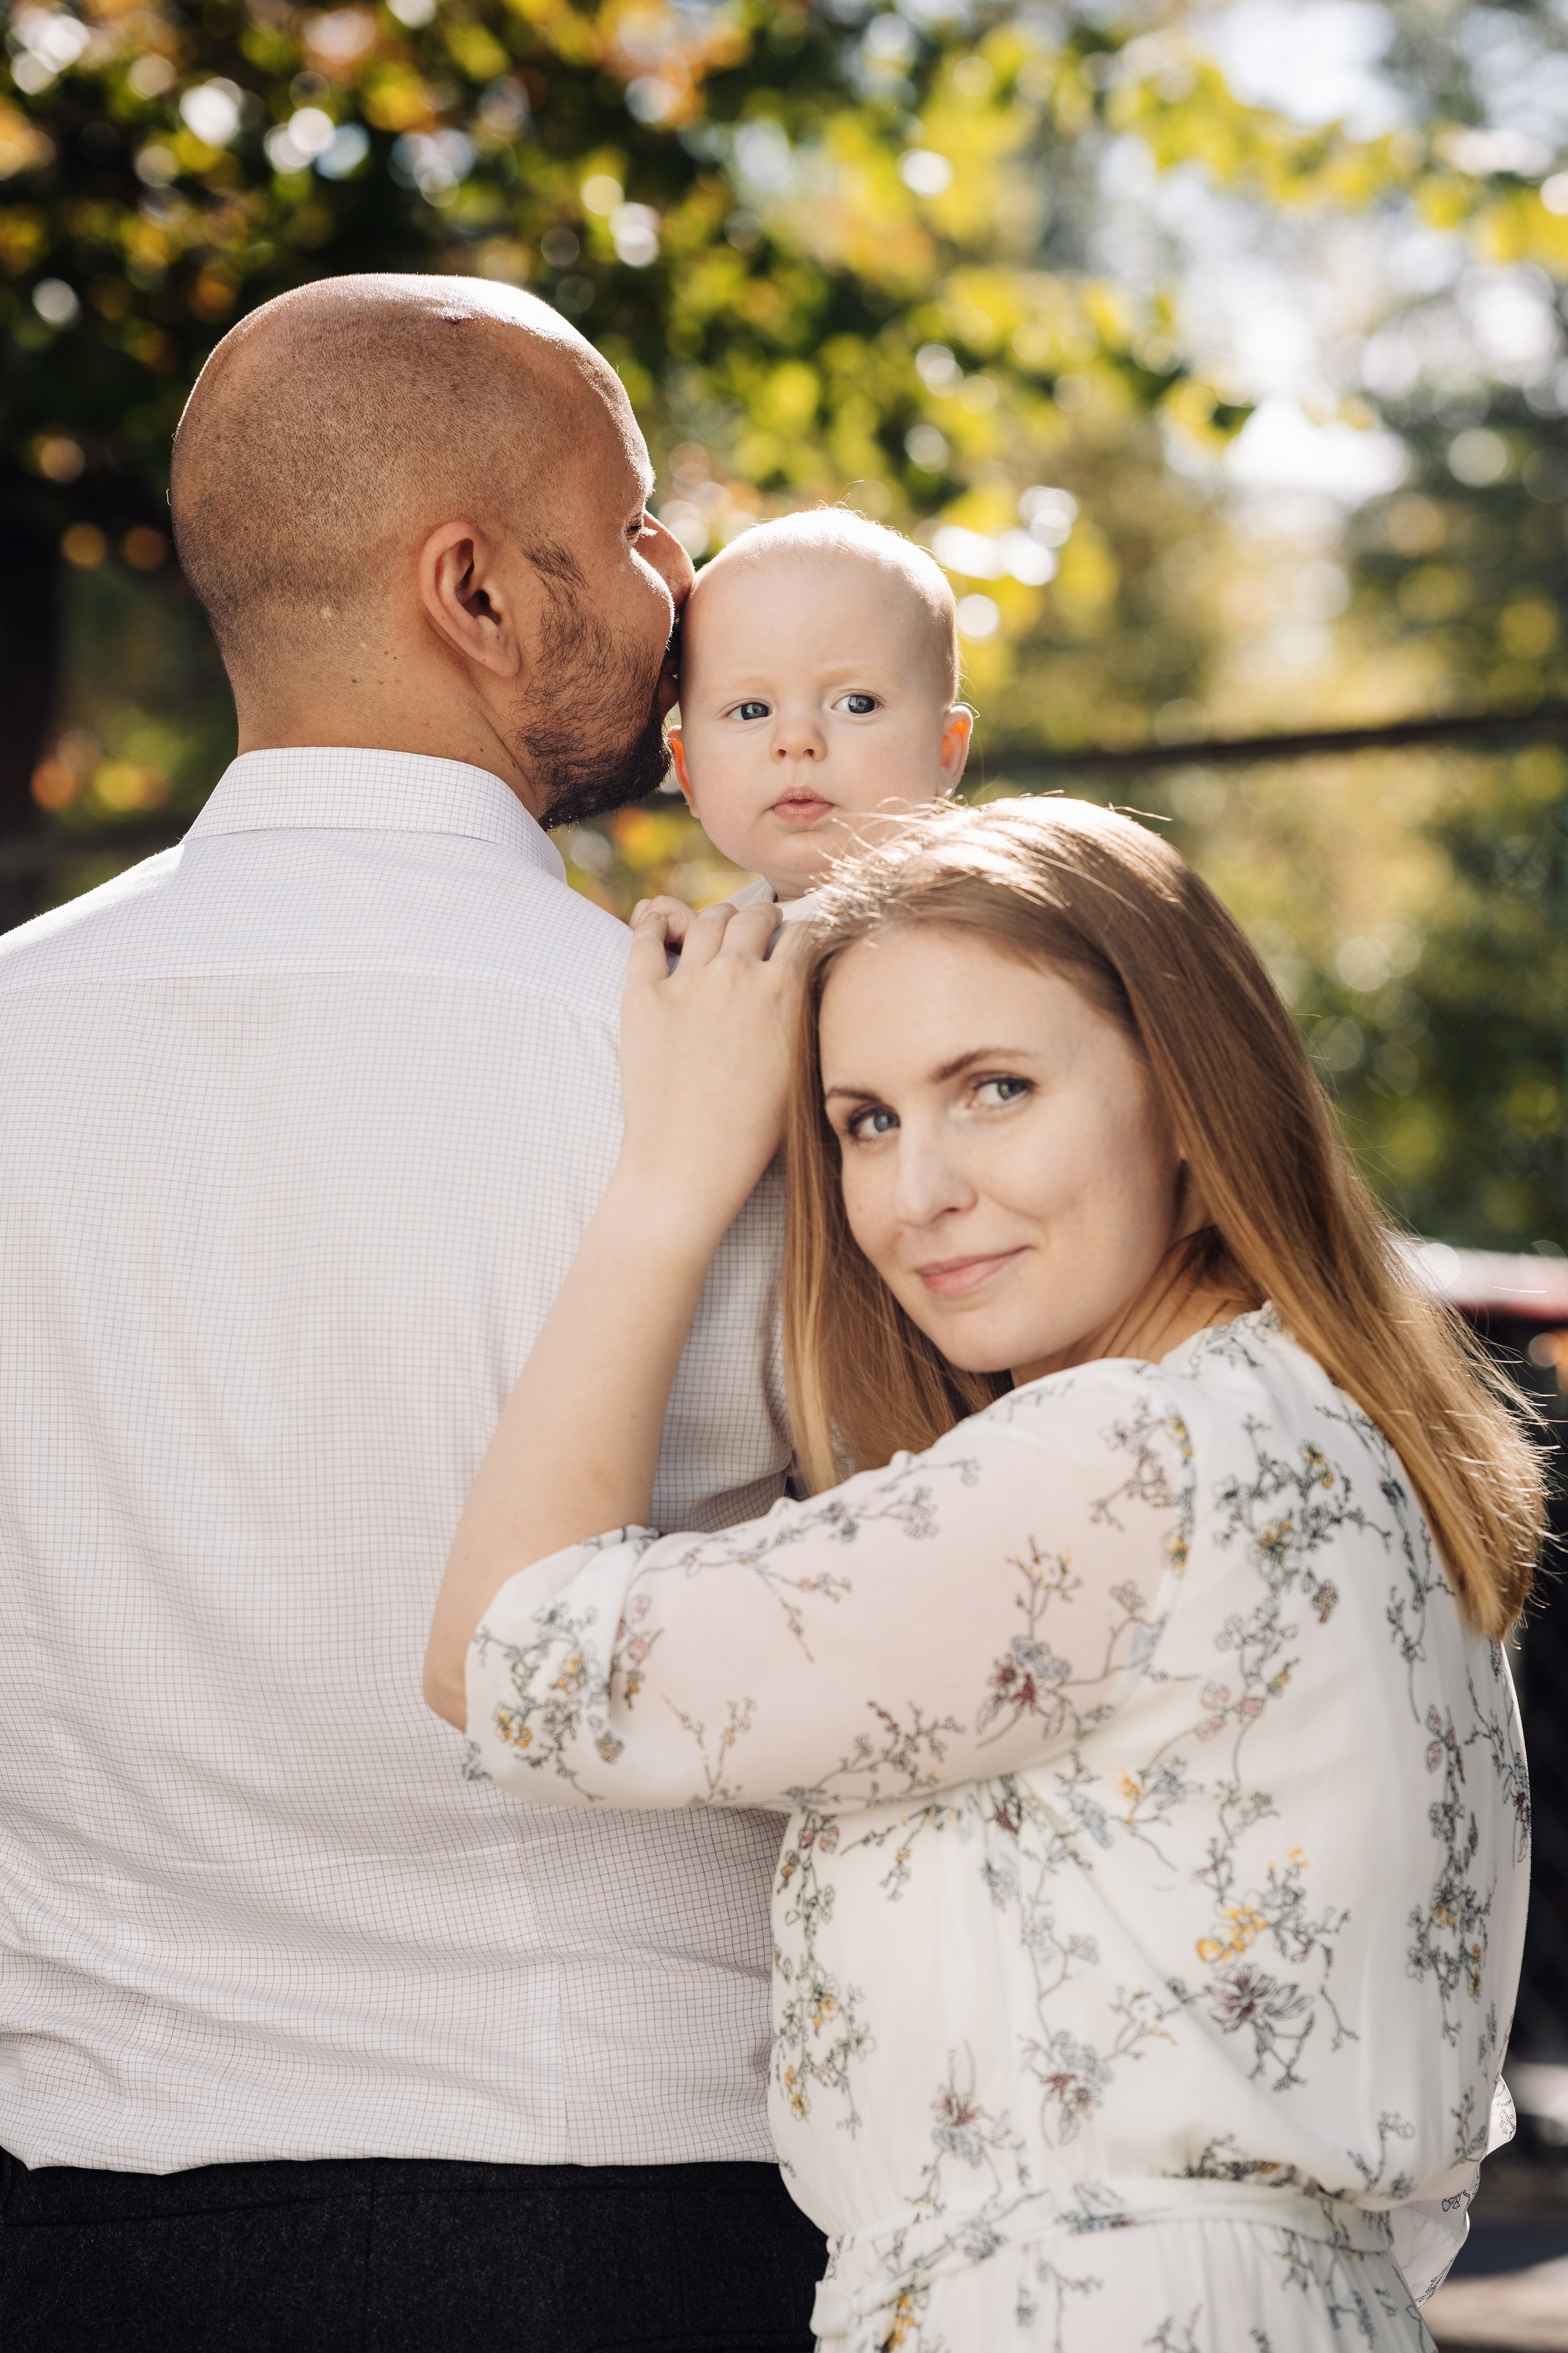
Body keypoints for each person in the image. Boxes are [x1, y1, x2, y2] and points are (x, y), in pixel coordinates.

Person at [426, 797, 1539, 2352]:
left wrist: (668, 1183)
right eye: (863, 1119)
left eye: (992, 1088)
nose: (912, 1190)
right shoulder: (1341, 1440)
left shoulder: (1119, 1463)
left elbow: (516, 1654)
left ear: (1187, 1101)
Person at [0, 276, 825, 2349]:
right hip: (646, 2214)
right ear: (469, 584)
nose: (681, 579)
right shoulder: (729, 1064)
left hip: (91, 2230)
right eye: (635, 524)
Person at [636, 510, 972, 931]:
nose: (796, 740)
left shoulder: (970, 921)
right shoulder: (724, 935)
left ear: (945, 751)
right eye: (751, 710)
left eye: (857, 703)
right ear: (688, 774)